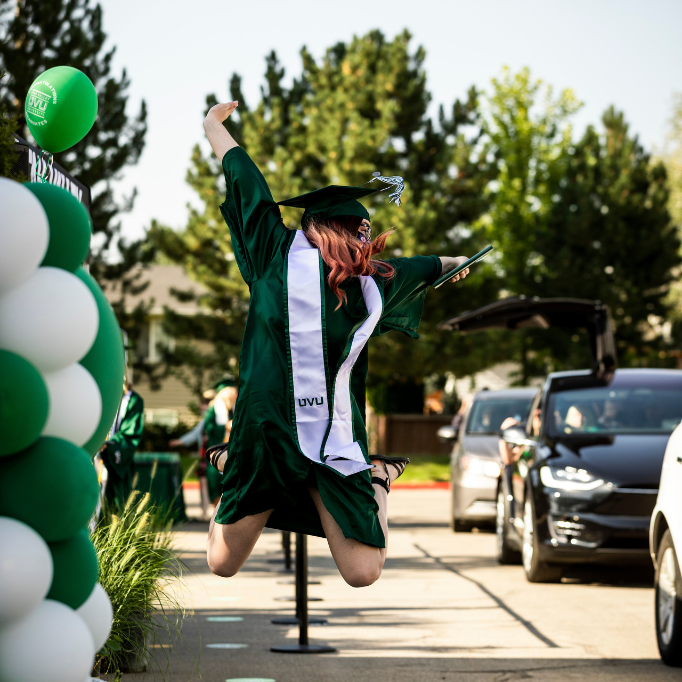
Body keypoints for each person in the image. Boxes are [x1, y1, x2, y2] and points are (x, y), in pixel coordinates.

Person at [203, 100, 470, 588]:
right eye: (359, 236)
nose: (366, 247)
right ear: (329, 230)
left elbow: (422, 266)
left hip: (334, 440)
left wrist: (454, 262)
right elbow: (246, 181)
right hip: (266, 432)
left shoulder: (369, 285)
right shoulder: (271, 250)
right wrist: (213, 129)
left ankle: (376, 478)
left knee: (363, 571)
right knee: (221, 563)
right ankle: (229, 457)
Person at [100, 380, 144, 508]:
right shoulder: (104, 394)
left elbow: (130, 432)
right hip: (94, 452)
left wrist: (110, 444)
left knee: (115, 498)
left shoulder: (132, 400)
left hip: (109, 450)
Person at [170, 397, 211, 518]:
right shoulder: (204, 422)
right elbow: (194, 434)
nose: (203, 409)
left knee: (213, 484)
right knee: (203, 482)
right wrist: (179, 441)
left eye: (205, 406)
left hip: (216, 456)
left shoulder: (219, 419)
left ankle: (214, 511)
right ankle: (204, 511)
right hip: (204, 457)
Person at [203, 382, 238, 506]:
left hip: (225, 452)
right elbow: (217, 429)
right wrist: (228, 426)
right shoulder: (217, 407)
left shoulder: (229, 408)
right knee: (217, 485)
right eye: (234, 392)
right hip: (217, 452)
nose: (236, 395)